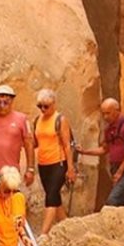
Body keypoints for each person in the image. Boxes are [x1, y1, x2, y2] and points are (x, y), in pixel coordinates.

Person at [76, 98, 124, 206]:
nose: (106, 117)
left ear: (117, 110)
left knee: (113, 200)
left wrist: (121, 170)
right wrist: (84, 151)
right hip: (115, 168)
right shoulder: (109, 129)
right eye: (103, 114)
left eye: (108, 113)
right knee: (122, 201)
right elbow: (104, 149)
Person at [32, 89, 76, 235]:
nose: (43, 109)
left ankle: (44, 234)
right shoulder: (38, 120)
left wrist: (70, 168)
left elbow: (67, 145)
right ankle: (69, 229)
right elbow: (35, 142)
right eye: (40, 106)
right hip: (43, 164)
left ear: (53, 104)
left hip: (59, 163)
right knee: (55, 198)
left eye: (46, 106)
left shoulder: (60, 119)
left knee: (50, 196)